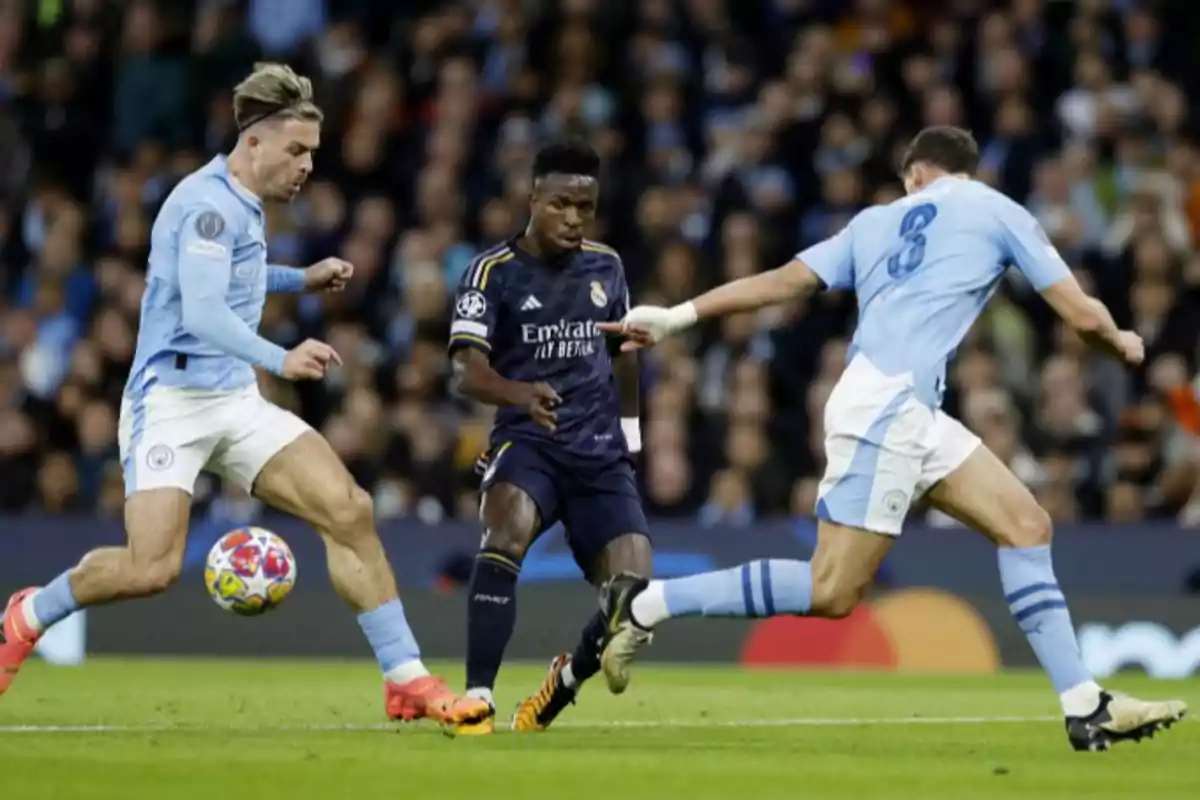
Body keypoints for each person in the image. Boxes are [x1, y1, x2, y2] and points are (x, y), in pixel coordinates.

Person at [597, 126, 1187, 752]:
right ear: (965, 170)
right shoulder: (996, 208)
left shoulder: (873, 223)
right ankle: (646, 604)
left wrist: (678, 315)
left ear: (914, 175)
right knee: (831, 591)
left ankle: (1084, 705)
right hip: (890, 406)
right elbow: (1081, 313)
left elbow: (779, 281)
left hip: (903, 405)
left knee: (1026, 524)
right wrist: (1122, 340)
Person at [0, 63, 481, 727]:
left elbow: (238, 278)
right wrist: (280, 355)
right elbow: (202, 311)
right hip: (169, 400)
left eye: (312, 152)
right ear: (254, 142)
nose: (308, 165)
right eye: (297, 150)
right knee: (151, 568)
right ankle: (28, 614)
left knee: (349, 509)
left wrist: (300, 278)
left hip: (231, 398)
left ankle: (406, 678)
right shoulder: (204, 207)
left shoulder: (243, 205)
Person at [446, 139, 649, 734]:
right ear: (532, 198)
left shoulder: (606, 266)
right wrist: (517, 393)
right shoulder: (492, 273)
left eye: (585, 208)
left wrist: (631, 437)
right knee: (504, 532)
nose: (574, 219)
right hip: (528, 443)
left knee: (631, 597)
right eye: (561, 204)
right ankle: (478, 697)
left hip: (599, 456)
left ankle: (559, 688)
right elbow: (465, 370)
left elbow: (625, 350)